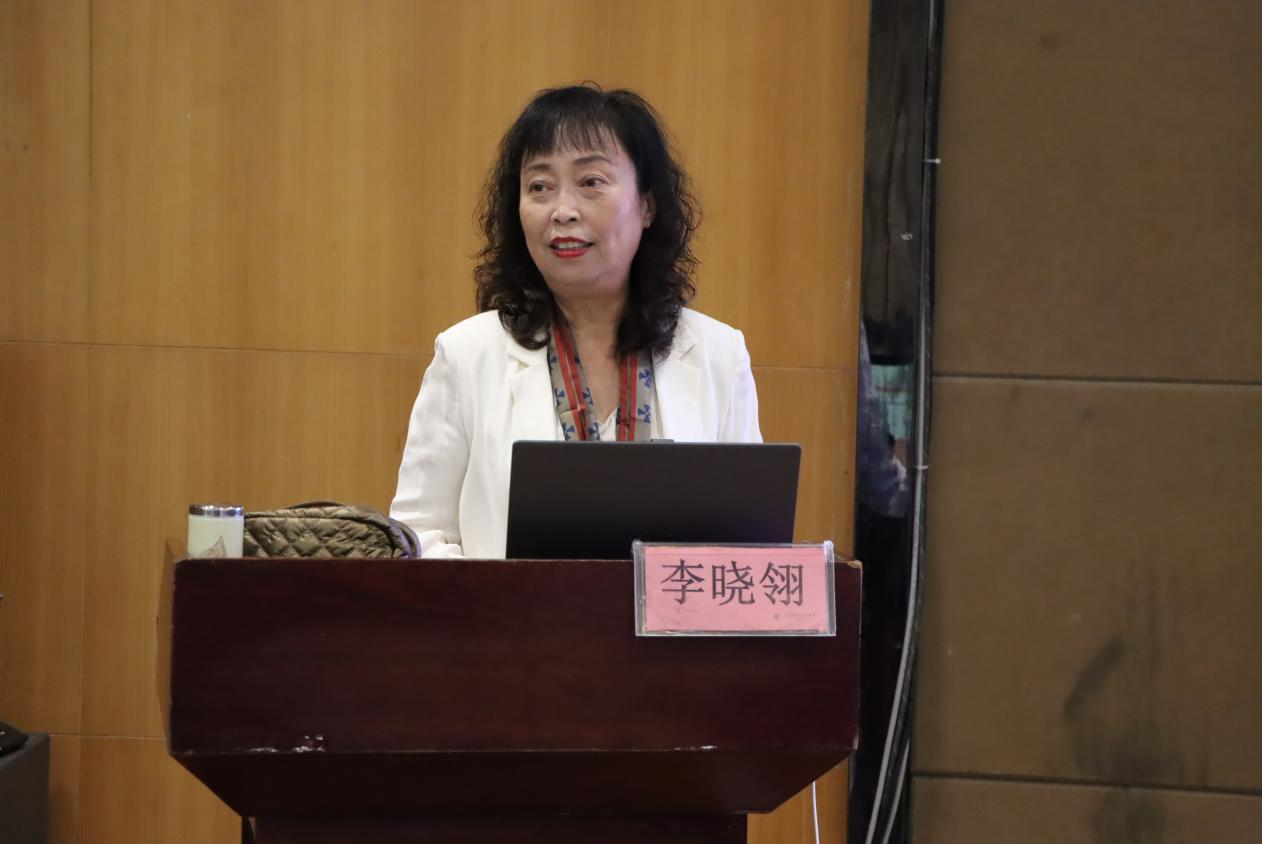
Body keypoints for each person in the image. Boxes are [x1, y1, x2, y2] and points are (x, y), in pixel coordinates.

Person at [390, 84, 762, 558]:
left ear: (647, 205)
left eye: (591, 182)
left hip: (668, 611)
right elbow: (416, 537)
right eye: (539, 187)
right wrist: (497, 597)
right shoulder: (466, 354)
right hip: (511, 609)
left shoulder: (718, 355)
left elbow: (749, 547)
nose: (562, 211)